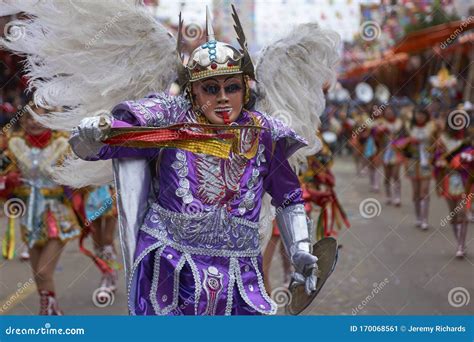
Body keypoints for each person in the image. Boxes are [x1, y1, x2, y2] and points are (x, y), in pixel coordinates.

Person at [3, 2, 338, 316]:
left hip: (239, 272)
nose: (222, 99)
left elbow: (288, 196)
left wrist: (300, 249)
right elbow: (106, 143)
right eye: (211, 89)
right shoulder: (168, 118)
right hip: (170, 265)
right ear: (193, 92)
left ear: (245, 90)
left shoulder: (264, 132)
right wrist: (91, 132)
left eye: (231, 87)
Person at [0, 106, 81, 315]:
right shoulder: (14, 145)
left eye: (40, 118)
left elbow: (80, 176)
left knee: (44, 270)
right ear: (24, 121)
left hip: (56, 213)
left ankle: (50, 313)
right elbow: (2, 173)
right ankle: (49, 311)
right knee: (37, 273)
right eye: (30, 118)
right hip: (29, 215)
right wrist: (8, 181)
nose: (35, 122)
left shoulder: (63, 144)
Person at [393, 108, 438, 229]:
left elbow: (438, 143)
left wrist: (433, 151)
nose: (420, 117)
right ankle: (418, 217)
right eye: (418, 114)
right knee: (416, 193)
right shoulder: (408, 127)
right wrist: (408, 141)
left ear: (426, 116)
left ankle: (425, 220)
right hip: (412, 162)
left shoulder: (433, 127)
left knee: (425, 191)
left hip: (426, 162)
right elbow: (397, 141)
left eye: (422, 115)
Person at [434, 116, 471, 257]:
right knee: (454, 215)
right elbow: (436, 158)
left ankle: (461, 246)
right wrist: (439, 163)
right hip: (448, 179)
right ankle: (459, 242)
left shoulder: (469, 140)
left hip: (465, 180)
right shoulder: (442, 140)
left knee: (463, 213)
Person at [379, 105, 404, 206]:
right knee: (387, 176)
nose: (389, 113)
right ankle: (388, 196)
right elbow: (377, 138)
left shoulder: (400, 123)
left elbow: (404, 136)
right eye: (387, 112)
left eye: (391, 112)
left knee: (396, 175)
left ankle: (397, 197)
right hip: (385, 152)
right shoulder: (381, 123)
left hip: (397, 152)